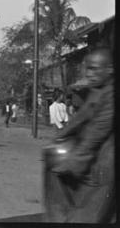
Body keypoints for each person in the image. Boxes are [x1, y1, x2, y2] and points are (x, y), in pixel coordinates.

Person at [44, 48, 115, 223]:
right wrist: (59, 136)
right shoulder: (98, 90)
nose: (89, 74)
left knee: (90, 207)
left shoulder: (112, 93)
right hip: (90, 152)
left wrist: (74, 161)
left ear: (110, 69)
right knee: (55, 168)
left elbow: (98, 131)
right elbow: (81, 117)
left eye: (95, 69)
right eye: (87, 68)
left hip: (106, 158)